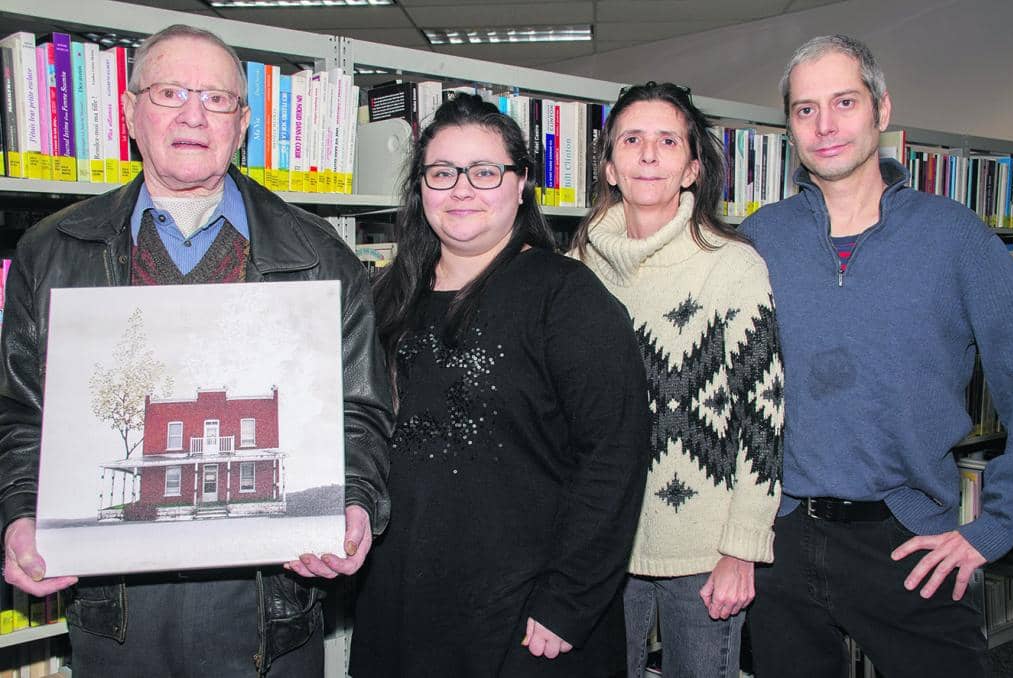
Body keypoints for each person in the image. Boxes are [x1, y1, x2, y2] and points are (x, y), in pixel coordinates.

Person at [0, 24, 394, 677]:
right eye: (170, 92)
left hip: (274, 615)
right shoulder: (53, 253)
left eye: (216, 99)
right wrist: (19, 515)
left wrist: (351, 502)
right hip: (115, 618)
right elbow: (20, 414)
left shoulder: (320, 257)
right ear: (129, 111)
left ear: (242, 124)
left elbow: (362, 413)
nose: (192, 114)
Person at [741, 34, 1013, 677]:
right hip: (777, 537)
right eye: (805, 109)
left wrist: (998, 525)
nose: (826, 125)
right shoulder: (758, 239)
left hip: (911, 539)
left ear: (882, 110)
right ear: (788, 126)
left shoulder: (956, 238)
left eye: (844, 101)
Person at [348, 93, 650, 677]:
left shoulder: (566, 296)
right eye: (442, 173)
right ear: (421, 187)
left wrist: (569, 599)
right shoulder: (383, 299)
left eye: (485, 172)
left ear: (521, 184)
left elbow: (616, 453)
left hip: (526, 621)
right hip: (400, 607)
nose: (461, 189)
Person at [570, 82, 784, 678]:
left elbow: (762, 415)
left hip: (703, 550)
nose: (648, 154)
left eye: (667, 141)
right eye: (632, 139)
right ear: (609, 167)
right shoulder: (576, 269)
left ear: (691, 169)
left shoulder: (732, 265)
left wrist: (742, 550)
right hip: (600, 541)